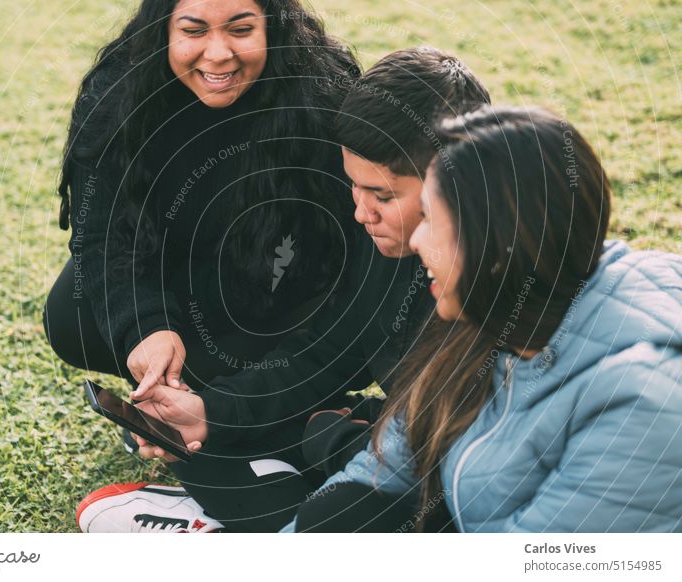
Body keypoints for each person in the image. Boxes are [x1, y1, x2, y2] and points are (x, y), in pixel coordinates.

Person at [76, 47, 491, 533]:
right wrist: (212, 414)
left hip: (448, 476)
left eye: (382, 196)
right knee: (203, 444)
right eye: (353, 187)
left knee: (362, 514)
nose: (361, 214)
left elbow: (473, 468)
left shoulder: (506, 281)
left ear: (457, 180)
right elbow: (329, 350)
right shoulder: (383, 248)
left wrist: (335, 438)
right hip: (396, 435)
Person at [283, 106, 682, 532]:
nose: (418, 240)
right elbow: (381, 472)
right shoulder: (490, 319)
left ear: (496, 246)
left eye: (432, 221)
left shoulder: (641, 403)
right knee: (342, 513)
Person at [42, 0, 364, 525]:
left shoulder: (322, 94)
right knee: (71, 314)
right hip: (186, 288)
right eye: (193, 30)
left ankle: (272, 418)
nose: (219, 54)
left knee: (263, 376)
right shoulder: (118, 90)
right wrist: (146, 330)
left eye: (242, 29)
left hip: (283, 296)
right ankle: (205, 406)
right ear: (162, 28)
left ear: (275, 26)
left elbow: (354, 258)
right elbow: (99, 240)